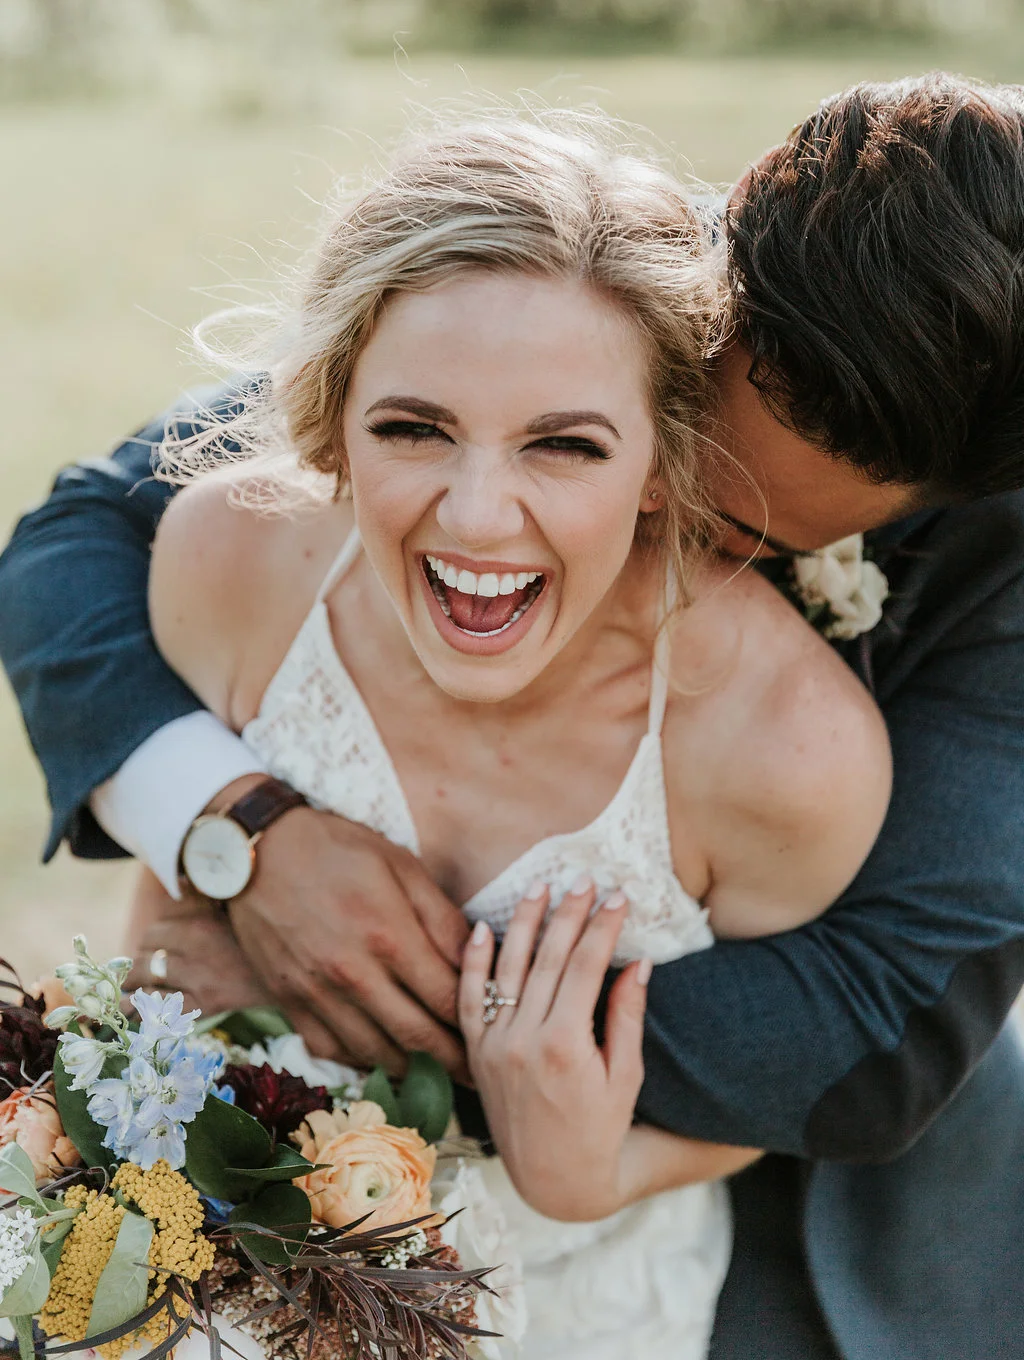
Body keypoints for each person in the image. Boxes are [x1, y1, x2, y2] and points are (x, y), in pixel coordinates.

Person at [2, 72, 1024, 1358]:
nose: (498, 516)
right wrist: (234, 831)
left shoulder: (945, 593)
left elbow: (887, 1014)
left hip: (779, 1188)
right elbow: (98, 529)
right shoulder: (598, 294)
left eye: (739, 534)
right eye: (678, 431)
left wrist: (397, 1034)